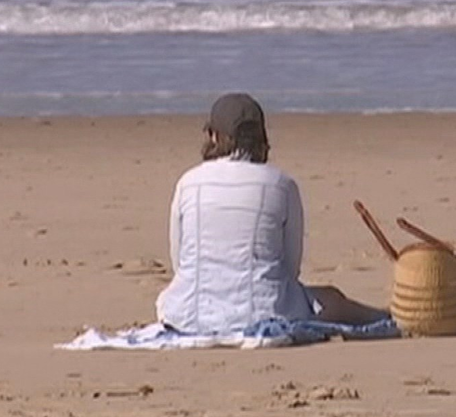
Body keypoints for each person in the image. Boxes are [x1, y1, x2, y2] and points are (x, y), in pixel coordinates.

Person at [156, 92, 389, 333]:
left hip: (189, 314)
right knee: (331, 298)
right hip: (265, 311)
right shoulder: (281, 184)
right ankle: (386, 315)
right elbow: (290, 266)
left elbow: (180, 262)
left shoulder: (188, 183)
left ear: (214, 136)